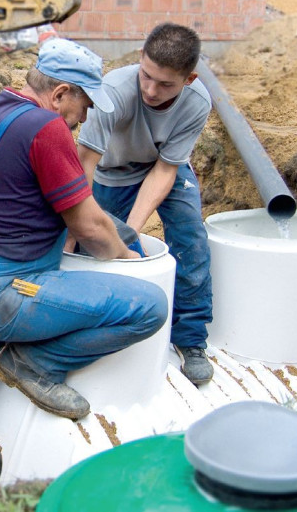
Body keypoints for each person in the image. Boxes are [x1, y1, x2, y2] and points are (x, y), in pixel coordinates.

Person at [0, 38, 169, 507]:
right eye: (82, 104)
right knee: (149, 307)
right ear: (60, 93)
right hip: (2, 292)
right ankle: (34, 364)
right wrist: (129, 260)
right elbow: (87, 225)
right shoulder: (45, 128)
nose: (83, 118)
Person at [76, 23, 214, 386]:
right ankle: (108, 331)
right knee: (100, 250)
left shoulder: (197, 102)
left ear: (189, 79)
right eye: (147, 76)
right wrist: (91, 231)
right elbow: (83, 165)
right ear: (140, 58)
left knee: (191, 240)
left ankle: (190, 339)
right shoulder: (112, 92)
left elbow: (166, 169)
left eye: (166, 84)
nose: (151, 90)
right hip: (110, 171)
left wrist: (132, 229)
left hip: (162, 166)